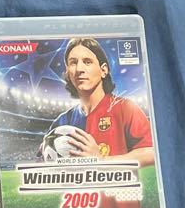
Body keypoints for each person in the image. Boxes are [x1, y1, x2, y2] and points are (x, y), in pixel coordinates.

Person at [45, 37, 154, 166]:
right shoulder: (61, 121)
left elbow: (151, 152)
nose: (79, 69)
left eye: (87, 62)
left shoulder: (125, 108)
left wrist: (102, 161)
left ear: (103, 70)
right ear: (68, 72)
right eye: (73, 63)